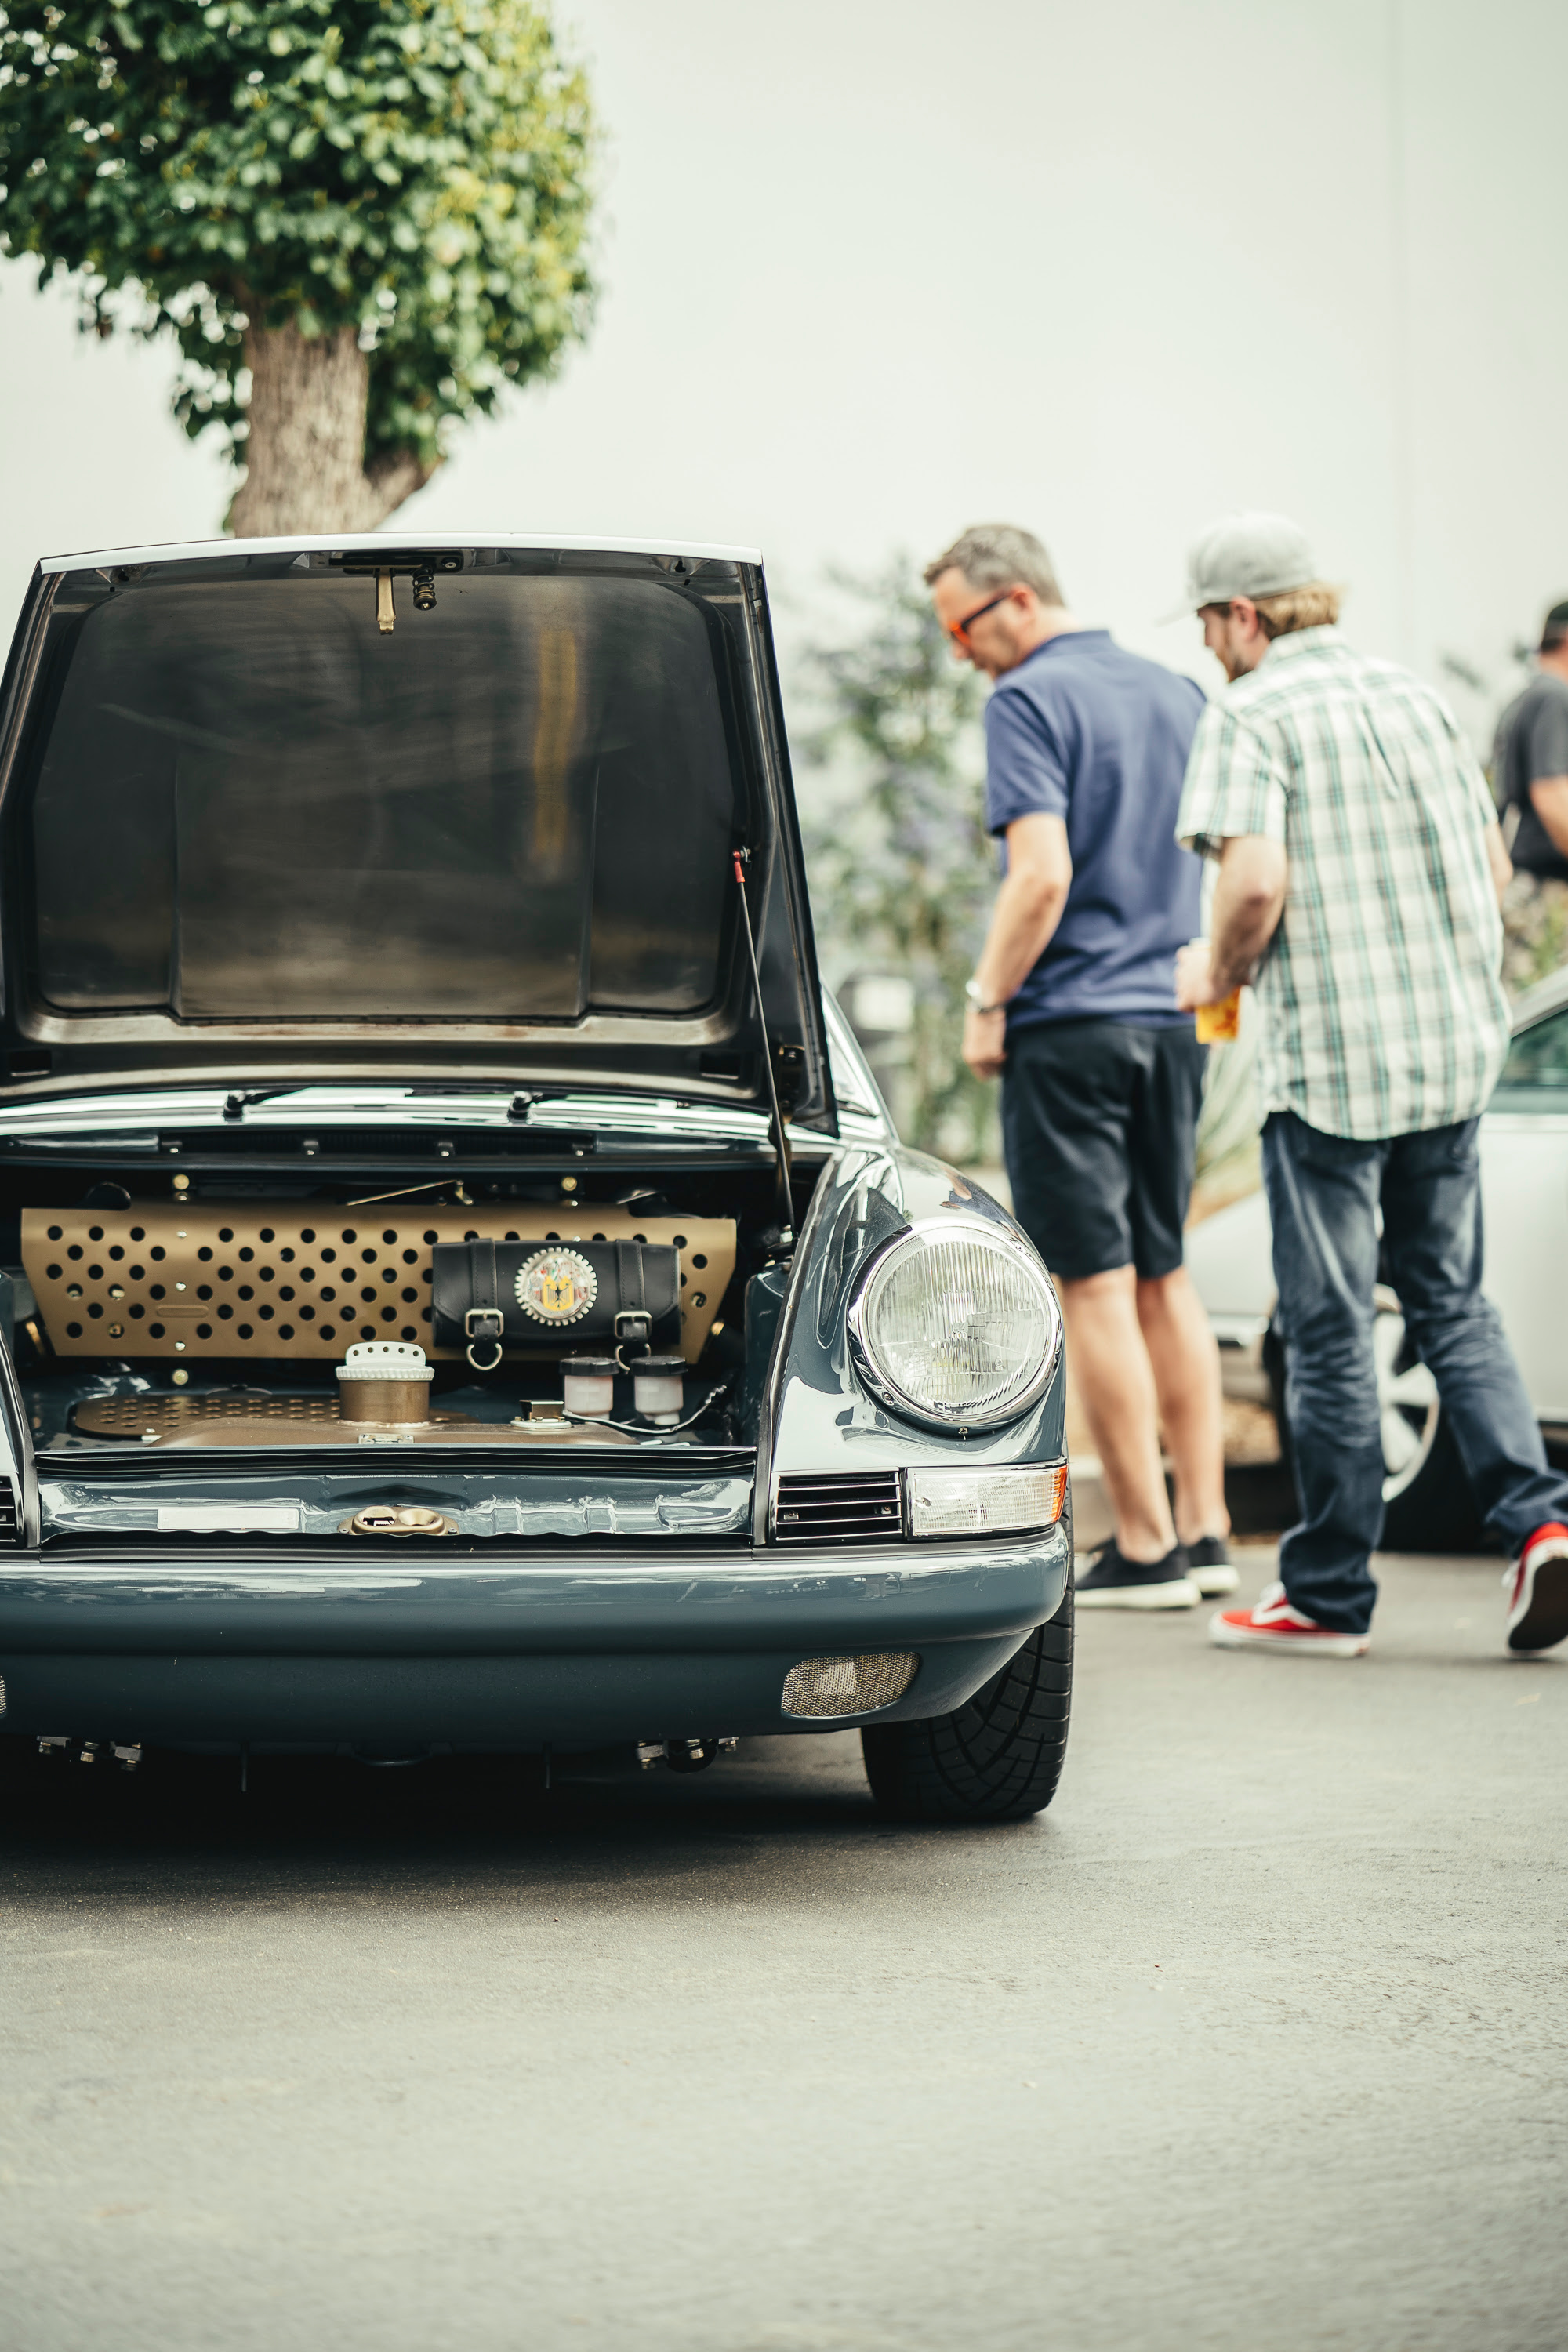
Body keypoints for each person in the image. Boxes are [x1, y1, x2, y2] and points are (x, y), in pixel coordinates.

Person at [1172, 510, 1568, 1657]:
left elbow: (1250, 885)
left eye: (1207, 623)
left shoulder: (1253, 710)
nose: (1206, 646)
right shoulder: (1415, 698)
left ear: (1244, 615)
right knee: (1452, 1297)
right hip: (1450, 1056)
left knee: (1332, 1320)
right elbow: (1495, 870)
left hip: (1334, 1071)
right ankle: (1540, 1529)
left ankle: (1329, 1594)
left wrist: (1222, 971)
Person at [924, 522, 1233, 1610]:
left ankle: (1143, 1548)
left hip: (1072, 1025)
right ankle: (1206, 1531)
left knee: (1092, 1284)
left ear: (1013, 601)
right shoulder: (1179, 693)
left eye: (962, 628)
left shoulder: (1026, 701)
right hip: (1168, 1021)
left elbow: (1039, 876)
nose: (961, 653)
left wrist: (986, 999)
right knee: (1165, 1274)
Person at [1492, 599, 1568, 990]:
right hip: (1546, 893)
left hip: (1526, 885)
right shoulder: (1555, 697)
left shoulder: (1523, 696)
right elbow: (1551, 794)